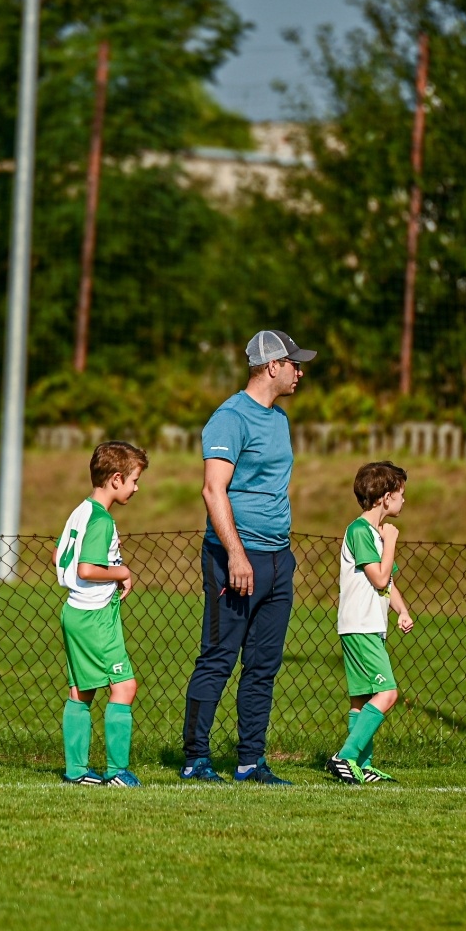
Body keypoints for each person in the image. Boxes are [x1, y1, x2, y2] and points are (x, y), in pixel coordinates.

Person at [179, 330, 316, 784]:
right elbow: (212, 489)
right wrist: (236, 556)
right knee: (218, 658)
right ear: (272, 365)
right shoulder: (229, 418)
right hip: (235, 559)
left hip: (278, 559)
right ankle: (196, 759)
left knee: (263, 666)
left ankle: (250, 762)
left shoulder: (279, 420)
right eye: (295, 363)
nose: (301, 371)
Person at [54, 440, 149, 787]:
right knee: (125, 686)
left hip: (74, 613)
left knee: (82, 689)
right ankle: (117, 771)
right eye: (135, 480)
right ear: (116, 479)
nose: (137, 488)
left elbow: (58, 557)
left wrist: (108, 557)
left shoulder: (80, 511)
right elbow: (86, 569)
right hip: (95, 617)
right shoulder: (102, 520)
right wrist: (121, 571)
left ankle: (76, 771)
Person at [326, 461, 414, 785]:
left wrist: (402, 610)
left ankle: (361, 765)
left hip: (365, 626)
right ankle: (346, 756)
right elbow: (379, 577)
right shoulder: (361, 531)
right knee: (388, 693)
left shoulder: (374, 534)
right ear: (385, 497)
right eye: (401, 494)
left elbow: (388, 583)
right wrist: (391, 541)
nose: (404, 501)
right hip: (360, 627)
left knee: (362, 698)